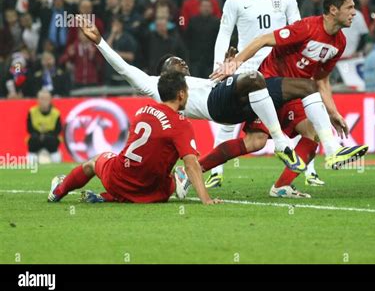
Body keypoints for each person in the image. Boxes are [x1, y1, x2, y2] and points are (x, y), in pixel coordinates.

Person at [79, 20, 306, 175]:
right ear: (164, 71)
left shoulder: (196, 81)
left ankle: (320, 130)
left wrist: (232, 68)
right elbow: (125, 69)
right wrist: (100, 42)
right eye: (177, 61)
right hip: (217, 106)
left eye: (183, 61)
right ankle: (281, 142)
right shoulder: (155, 85)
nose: (183, 63)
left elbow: (220, 85)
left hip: (231, 104)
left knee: (298, 87)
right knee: (255, 77)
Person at [210, 0, 369, 195]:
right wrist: (234, 64)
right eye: (349, 7)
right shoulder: (306, 27)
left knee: (311, 133)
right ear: (333, 9)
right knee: (255, 142)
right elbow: (262, 40)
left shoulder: (339, 43)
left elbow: (322, 81)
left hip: (296, 91)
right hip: (269, 85)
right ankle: (197, 169)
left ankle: (281, 186)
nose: (354, 13)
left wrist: (333, 113)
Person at [208, 0, 322, 189]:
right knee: (230, 122)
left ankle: (310, 171)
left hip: (280, 69)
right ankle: (215, 172)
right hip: (247, 68)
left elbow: (298, 30)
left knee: (307, 119)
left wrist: (302, 64)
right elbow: (224, 34)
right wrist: (220, 67)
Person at [48, 72, 221, 205]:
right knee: (175, 171)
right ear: (181, 95)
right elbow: (191, 164)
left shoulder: (142, 111)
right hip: (153, 194)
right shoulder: (182, 124)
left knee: (93, 162)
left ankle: (59, 191)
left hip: (118, 180)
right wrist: (206, 199)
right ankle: (179, 179)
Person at [27, 89, 62, 164]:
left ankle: (56, 162)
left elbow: (58, 130)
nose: (44, 101)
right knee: (33, 140)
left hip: (51, 138)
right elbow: (29, 129)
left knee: (51, 140)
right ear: (38, 100)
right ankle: (31, 164)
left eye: (46, 99)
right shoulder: (32, 112)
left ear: (50, 100)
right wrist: (40, 135)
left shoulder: (56, 113)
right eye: (42, 99)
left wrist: (46, 136)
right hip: (36, 138)